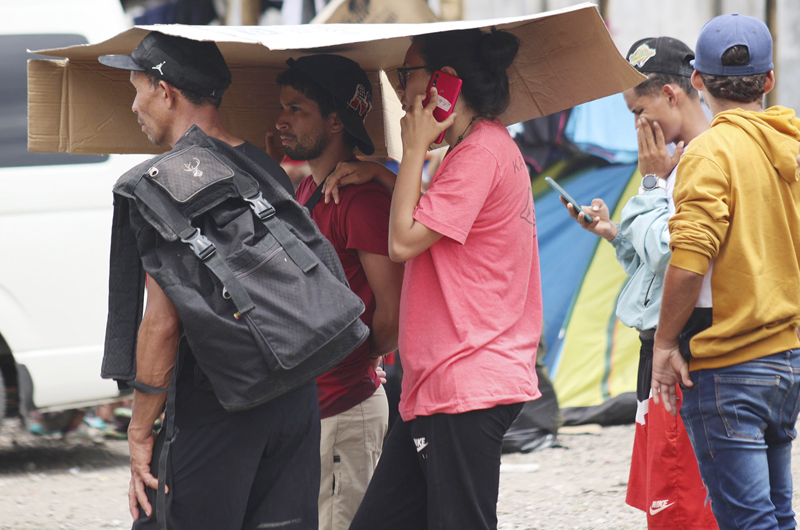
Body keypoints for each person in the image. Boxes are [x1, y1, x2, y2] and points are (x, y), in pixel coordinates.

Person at [99, 32, 321, 530]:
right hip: (295, 395)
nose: (133, 105)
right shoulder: (266, 168)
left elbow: (161, 325)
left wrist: (138, 432)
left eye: (136, 89)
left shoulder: (168, 181)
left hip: (220, 403)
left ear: (165, 90)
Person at [349, 28, 542, 530]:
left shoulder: (479, 153)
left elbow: (403, 241)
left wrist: (412, 150)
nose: (398, 86)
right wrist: (390, 177)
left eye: (405, 74)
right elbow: (439, 220)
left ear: (444, 82)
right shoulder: (477, 147)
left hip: (467, 379)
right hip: (439, 382)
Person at [650, 14, 800, 530]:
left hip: (731, 364)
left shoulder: (710, 151)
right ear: (768, 79)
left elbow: (690, 262)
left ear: (697, 80)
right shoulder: (792, 145)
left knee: (749, 521)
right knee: (778, 515)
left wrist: (664, 343)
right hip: (787, 359)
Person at [562, 37, 716, 529]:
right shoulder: (677, 160)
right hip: (663, 347)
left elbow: (679, 257)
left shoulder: (697, 162)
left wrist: (650, 187)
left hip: (684, 348)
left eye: (639, 110)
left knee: (682, 503)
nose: (636, 126)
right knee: (669, 495)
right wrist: (613, 233)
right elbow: (658, 262)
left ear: (672, 94)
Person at [273, 54, 404, 530]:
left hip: (345, 407)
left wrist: (358, 358)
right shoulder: (308, 188)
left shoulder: (361, 199)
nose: (282, 119)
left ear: (335, 120)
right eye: (282, 107)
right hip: (312, 406)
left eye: (297, 109)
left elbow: (392, 312)